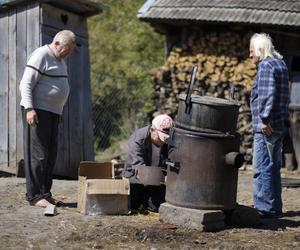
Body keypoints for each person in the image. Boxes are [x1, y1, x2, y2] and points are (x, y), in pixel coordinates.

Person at [19, 30, 76, 208]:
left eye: (71, 50)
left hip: (52, 113)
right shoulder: (41, 54)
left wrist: (57, 111)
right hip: (37, 111)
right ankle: (34, 196)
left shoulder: (60, 61)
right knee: (39, 155)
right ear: (57, 43)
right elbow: (25, 83)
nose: (69, 53)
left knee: (51, 154)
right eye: (67, 49)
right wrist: (29, 108)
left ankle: (45, 193)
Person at [249, 33, 290, 218]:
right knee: (273, 167)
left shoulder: (265, 65)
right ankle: (274, 208)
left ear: (259, 49)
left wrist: (264, 119)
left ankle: (264, 209)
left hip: (268, 125)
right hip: (280, 123)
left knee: (262, 167)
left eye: (251, 51)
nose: (250, 56)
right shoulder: (280, 64)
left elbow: (267, 95)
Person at [123, 114, 174, 212]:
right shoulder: (137, 140)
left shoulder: (167, 141)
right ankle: (143, 199)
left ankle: (147, 200)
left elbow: (171, 160)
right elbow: (140, 168)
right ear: (152, 130)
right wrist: (162, 178)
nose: (163, 141)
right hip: (136, 177)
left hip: (156, 180)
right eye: (160, 137)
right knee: (132, 205)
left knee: (156, 207)